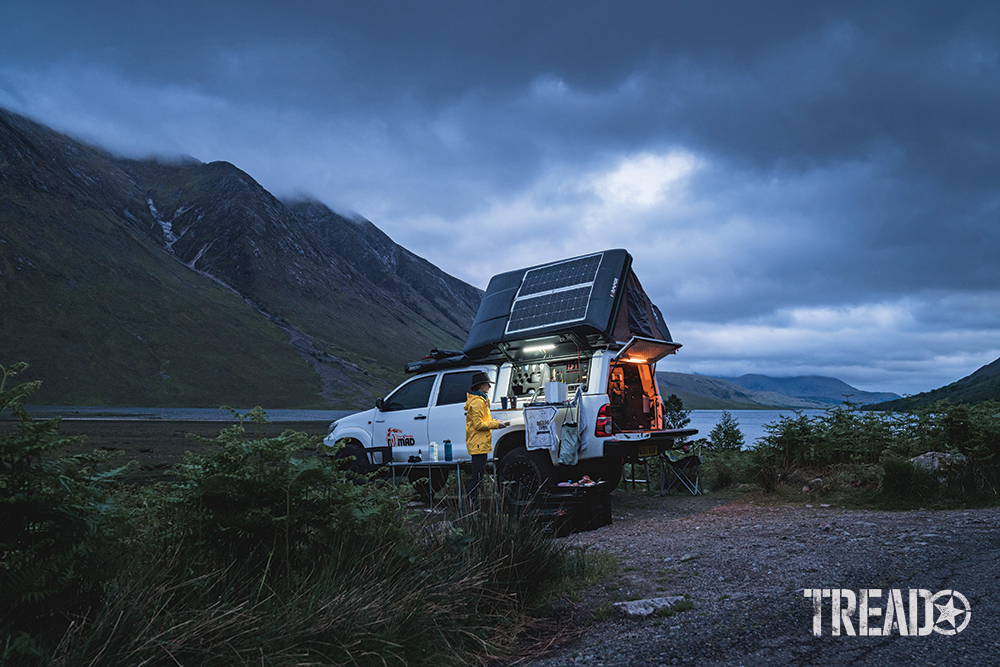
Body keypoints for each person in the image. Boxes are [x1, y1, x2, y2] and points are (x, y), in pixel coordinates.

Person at [464, 371, 508, 505]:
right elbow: (478, 424)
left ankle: (472, 504)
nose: (489, 387)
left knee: (478, 477)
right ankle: (470, 505)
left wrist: (496, 421)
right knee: (477, 478)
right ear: (480, 386)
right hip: (478, 445)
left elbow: (483, 420)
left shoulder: (481, 401)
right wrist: (496, 424)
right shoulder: (477, 402)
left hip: (480, 444)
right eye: (487, 384)